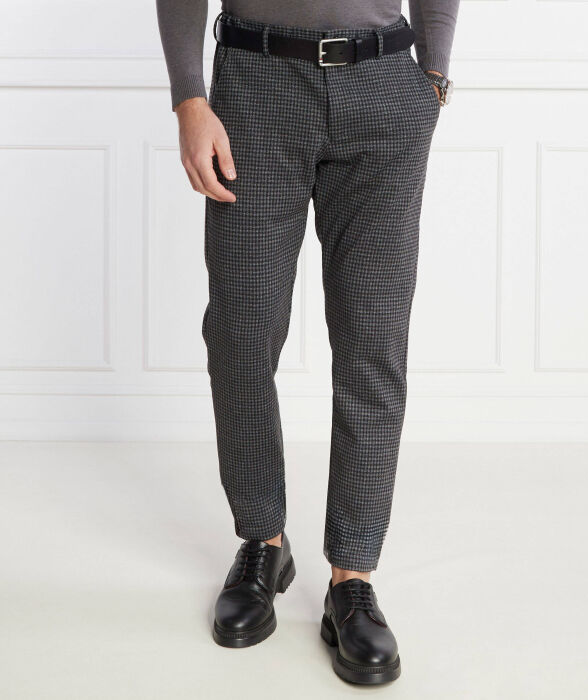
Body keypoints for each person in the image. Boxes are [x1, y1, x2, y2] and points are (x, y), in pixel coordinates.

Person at [156, 0, 459, 685]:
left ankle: (354, 578)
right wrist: (189, 99)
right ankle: (262, 540)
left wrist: (434, 74)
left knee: (372, 344)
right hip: (255, 87)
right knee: (241, 332)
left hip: (384, 87)